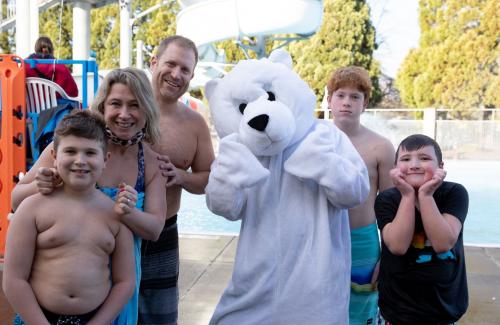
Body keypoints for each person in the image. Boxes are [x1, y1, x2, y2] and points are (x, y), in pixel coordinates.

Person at [11, 68, 168, 325]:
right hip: (52, 282)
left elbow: (154, 229)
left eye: (135, 105)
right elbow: (17, 200)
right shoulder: (70, 147)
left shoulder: (151, 163)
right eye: (116, 104)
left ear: (147, 110)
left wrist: (128, 212)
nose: (124, 114)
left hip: (114, 279)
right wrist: (39, 184)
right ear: (103, 106)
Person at [3, 110, 135, 324]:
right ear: (54, 157)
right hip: (38, 318)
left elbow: (125, 281)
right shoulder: (32, 209)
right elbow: (14, 279)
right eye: (71, 151)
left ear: (105, 159)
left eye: (90, 153)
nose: (80, 160)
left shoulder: (116, 214)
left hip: (95, 319)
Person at [139, 35, 215, 324]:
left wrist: (180, 176)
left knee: (161, 319)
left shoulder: (195, 124)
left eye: (185, 70)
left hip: (163, 235)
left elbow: (208, 178)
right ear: (154, 62)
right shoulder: (123, 108)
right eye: (170, 64)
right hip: (113, 228)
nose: (176, 74)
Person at [375, 134, 468, 324]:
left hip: (444, 308)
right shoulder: (387, 199)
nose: (414, 165)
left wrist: (426, 195)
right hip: (398, 309)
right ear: (395, 168)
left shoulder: (454, 193)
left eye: (424, 158)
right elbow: (397, 246)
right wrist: (408, 196)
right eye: (405, 159)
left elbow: (443, 243)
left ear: (440, 167)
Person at [327, 66, 395, 325]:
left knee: (361, 310)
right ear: (329, 99)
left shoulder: (381, 147)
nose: (347, 102)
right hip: (322, 237)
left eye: (355, 97)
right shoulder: (313, 140)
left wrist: (388, 258)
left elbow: (391, 206)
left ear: (365, 103)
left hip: (362, 241)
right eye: (340, 95)